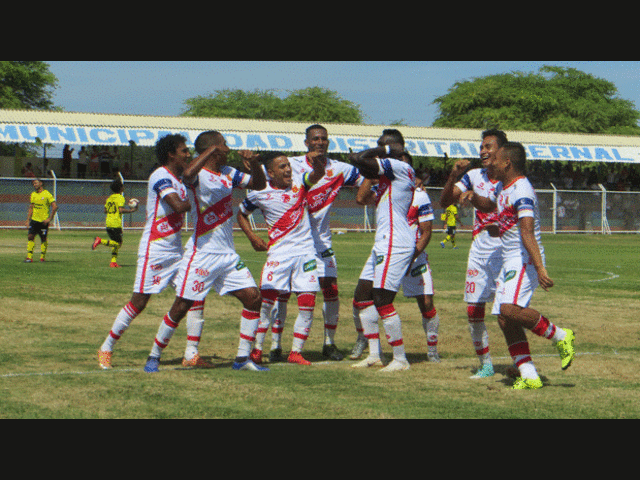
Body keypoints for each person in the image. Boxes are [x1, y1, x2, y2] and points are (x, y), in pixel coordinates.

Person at [143, 130, 269, 373]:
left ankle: (243, 359)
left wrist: (254, 163)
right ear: (214, 148)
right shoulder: (197, 173)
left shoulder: (228, 173)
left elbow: (259, 184)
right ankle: (155, 354)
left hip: (227, 254)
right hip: (202, 253)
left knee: (253, 298)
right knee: (182, 305)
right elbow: (188, 175)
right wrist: (210, 151)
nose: (228, 147)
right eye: (224, 144)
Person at [462, 142, 576, 390]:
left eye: (496, 159)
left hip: (523, 258)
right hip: (509, 257)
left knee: (509, 309)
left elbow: (527, 232)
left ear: (507, 163)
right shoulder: (504, 187)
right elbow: (490, 207)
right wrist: (472, 197)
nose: (491, 162)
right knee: (504, 318)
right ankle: (529, 374)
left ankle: (561, 335)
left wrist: (540, 268)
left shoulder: (521, 190)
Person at [98, 134, 213, 370]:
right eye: (183, 151)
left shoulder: (181, 179)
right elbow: (179, 206)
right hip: (155, 251)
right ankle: (106, 347)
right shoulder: (160, 176)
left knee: (195, 295)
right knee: (139, 303)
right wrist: (204, 200)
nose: (188, 154)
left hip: (176, 252)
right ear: (171, 154)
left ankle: (191, 353)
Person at [269, 124, 363, 362]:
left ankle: (329, 344)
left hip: (321, 243)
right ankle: (275, 345)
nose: (320, 142)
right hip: (291, 241)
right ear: (306, 143)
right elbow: (267, 180)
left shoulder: (340, 169)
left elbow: (368, 178)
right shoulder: (291, 164)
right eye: (315, 139)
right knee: (283, 293)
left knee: (331, 291)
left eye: (324, 139)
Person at [237, 150, 326, 366]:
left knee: (307, 303)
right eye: (282, 167)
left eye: (288, 165)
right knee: (266, 304)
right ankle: (257, 349)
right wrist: (252, 237)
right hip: (278, 254)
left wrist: (318, 166)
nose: (288, 170)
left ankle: (296, 352)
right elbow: (241, 214)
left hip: (306, 253)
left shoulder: (300, 183)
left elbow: (316, 175)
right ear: (270, 173)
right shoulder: (259, 192)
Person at [355, 173, 442, 363]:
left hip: (412, 257)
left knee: (426, 304)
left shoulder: (419, 195)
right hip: (385, 251)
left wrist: (413, 256)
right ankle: (373, 352)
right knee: (364, 297)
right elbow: (361, 198)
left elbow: (427, 231)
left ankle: (432, 350)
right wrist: (372, 172)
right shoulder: (382, 191)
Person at [440, 129, 506, 379]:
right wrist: (454, 175)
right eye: (482, 147)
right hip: (479, 251)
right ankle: (486, 365)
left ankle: (523, 361)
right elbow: (446, 202)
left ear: (502, 151)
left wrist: (476, 199)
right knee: (473, 310)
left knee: (507, 314)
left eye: (488, 146)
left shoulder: (510, 179)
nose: (483, 151)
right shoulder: (473, 175)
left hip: (505, 252)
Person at [348, 129, 415, 372]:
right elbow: (361, 172)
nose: (377, 147)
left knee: (382, 300)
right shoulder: (388, 173)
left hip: (396, 241)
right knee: (362, 296)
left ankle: (400, 359)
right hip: (383, 241)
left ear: (395, 149)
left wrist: (387, 151)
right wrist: (375, 156)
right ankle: (375, 355)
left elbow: (359, 158)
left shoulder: (400, 167)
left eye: (382, 145)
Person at [92, 178, 139, 267]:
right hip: (115, 223)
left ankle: (113, 262)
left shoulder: (109, 198)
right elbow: (121, 210)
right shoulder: (120, 197)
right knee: (118, 243)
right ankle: (100, 240)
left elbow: (105, 210)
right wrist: (131, 210)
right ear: (121, 188)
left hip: (108, 222)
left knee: (115, 242)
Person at [25, 178, 58, 263]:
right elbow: (31, 207)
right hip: (34, 220)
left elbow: (55, 206)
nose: (35, 185)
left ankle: (42, 257)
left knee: (43, 238)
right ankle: (29, 257)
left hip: (43, 221)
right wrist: (28, 219)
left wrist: (50, 219)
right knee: (30, 237)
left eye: (36, 183)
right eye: (33, 184)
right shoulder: (33, 194)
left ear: (41, 183)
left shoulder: (47, 194)